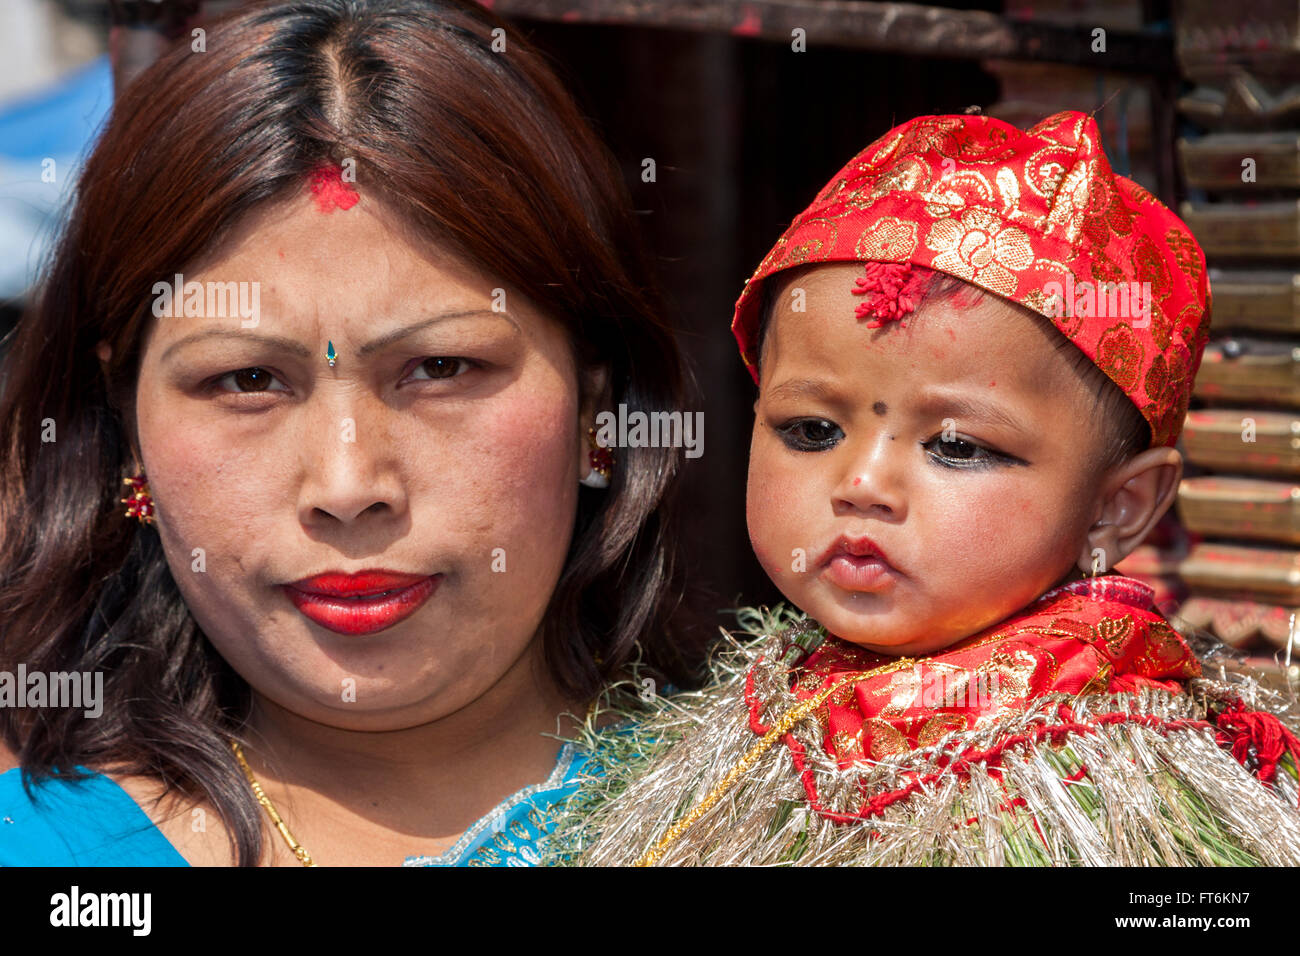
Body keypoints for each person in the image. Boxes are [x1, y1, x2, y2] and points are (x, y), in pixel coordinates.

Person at [0, 0, 700, 866]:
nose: (346, 486)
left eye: (441, 368)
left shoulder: (801, 813)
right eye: (247, 380)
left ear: (596, 397)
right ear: (128, 433)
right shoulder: (45, 856)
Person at [550, 110, 1300, 866]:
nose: (863, 484)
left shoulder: (1133, 796)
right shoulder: (755, 713)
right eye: (811, 430)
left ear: (1117, 507)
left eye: (957, 446)